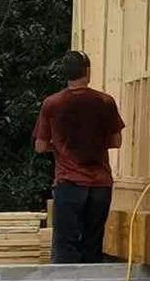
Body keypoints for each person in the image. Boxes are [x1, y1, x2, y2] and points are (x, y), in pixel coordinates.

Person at [31, 50, 125, 264]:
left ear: (65, 73)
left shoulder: (53, 103)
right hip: (100, 185)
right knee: (93, 246)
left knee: (66, 247)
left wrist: (59, 146)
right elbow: (116, 141)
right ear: (88, 72)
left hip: (69, 184)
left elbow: (40, 146)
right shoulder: (105, 101)